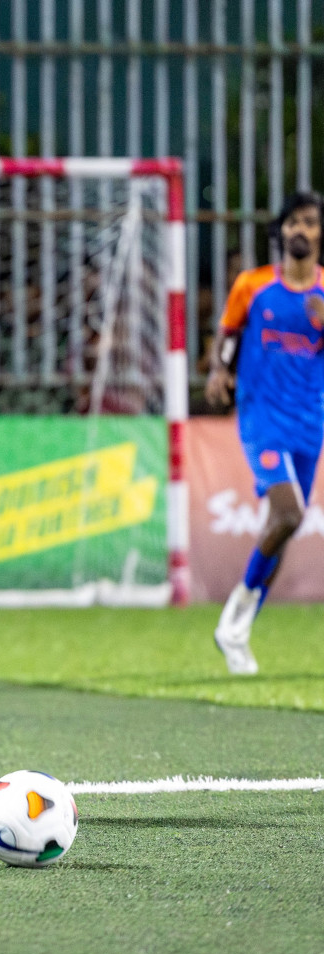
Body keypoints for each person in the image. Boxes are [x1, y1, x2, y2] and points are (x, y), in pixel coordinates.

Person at [204, 190, 324, 675]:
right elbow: (229, 335)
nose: (301, 230)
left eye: (311, 223)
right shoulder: (251, 285)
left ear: (320, 234)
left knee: (282, 527)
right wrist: (219, 370)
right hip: (261, 418)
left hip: (308, 422)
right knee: (288, 512)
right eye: (293, 222)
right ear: (282, 231)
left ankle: (237, 626)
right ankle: (236, 616)